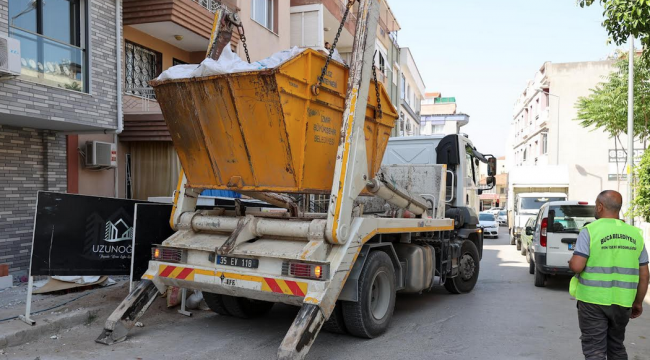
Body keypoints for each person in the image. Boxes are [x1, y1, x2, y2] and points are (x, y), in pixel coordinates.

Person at [569, 190, 649, 360]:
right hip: (623, 302)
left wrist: (570, 262)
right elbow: (644, 275)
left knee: (595, 351)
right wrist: (638, 302)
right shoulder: (635, 234)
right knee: (616, 346)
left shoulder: (590, 231)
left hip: (593, 301)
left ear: (600, 206)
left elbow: (577, 266)